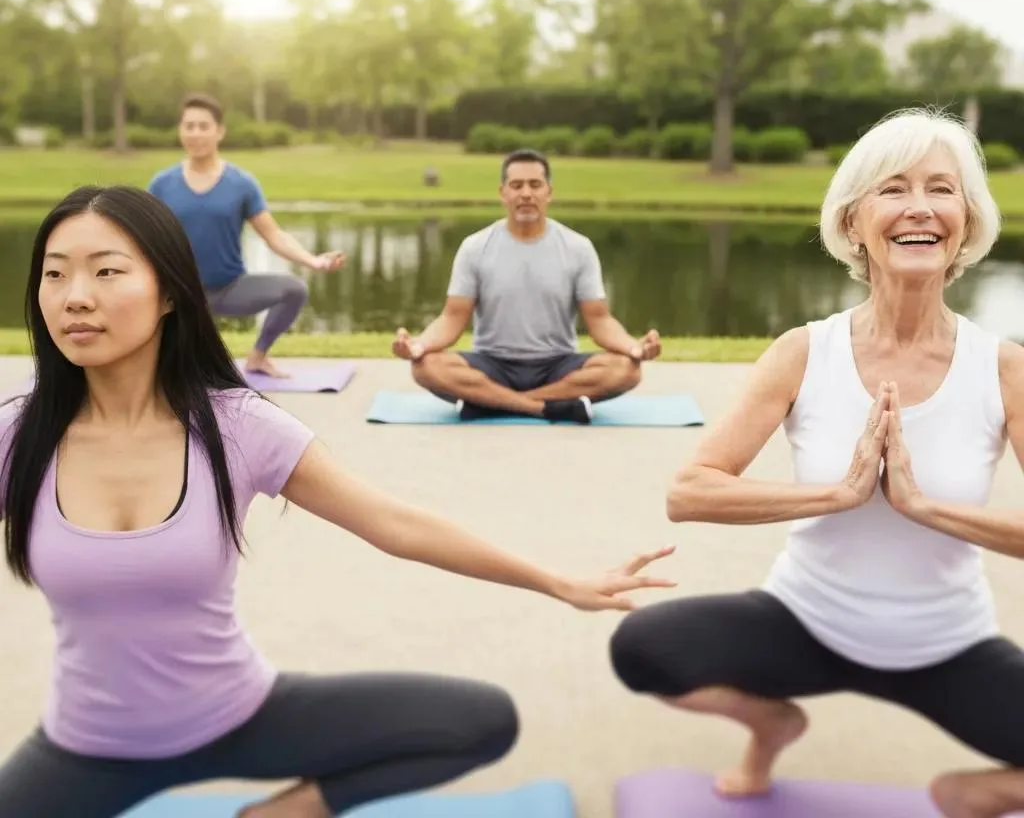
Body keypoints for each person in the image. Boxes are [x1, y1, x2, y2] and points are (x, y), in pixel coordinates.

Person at [0, 184, 675, 818]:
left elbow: (394, 522)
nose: (74, 297)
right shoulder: (19, 436)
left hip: (238, 716)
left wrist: (559, 581)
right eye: (54, 274)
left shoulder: (236, 426)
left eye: (106, 271)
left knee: (479, 720)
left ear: (170, 293)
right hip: (85, 750)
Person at [609, 108, 1024, 818]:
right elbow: (690, 491)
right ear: (854, 221)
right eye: (893, 189)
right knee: (644, 648)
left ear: (967, 217)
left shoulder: (1003, 367)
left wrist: (924, 508)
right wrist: (838, 494)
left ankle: (972, 795)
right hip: (806, 621)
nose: (919, 207)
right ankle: (772, 723)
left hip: (945, 644)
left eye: (941, 189)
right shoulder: (805, 352)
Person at [391, 149, 661, 423]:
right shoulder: (475, 248)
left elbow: (600, 320)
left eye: (535, 185)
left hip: (558, 364)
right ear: (503, 192)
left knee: (627, 369)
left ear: (549, 192)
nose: (526, 194)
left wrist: (633, 347)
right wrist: (419, 345)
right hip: (492, 364)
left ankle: (492, 402)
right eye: (516, 185)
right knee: (426, 366)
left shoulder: (578, 248)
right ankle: (547, 407)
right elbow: (452, 317)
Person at [147, 93, 346, 379]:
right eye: (188, 126)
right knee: (179, 374)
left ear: (220, 131)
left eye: (203, 126)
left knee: (293, 290)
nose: (195, 133)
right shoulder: (162, 184)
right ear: (180, 131)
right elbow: (141, 238)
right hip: (178, 296)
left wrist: (313, 261)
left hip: (229, 288)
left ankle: (258, 357)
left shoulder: (241, 184)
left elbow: (273, 234)